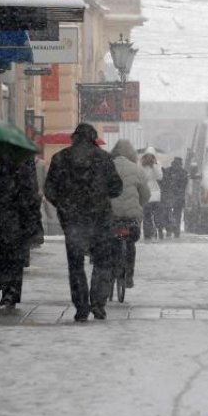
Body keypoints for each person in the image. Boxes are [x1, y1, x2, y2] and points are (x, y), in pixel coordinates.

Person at [44, 123, 122, 321]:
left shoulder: (60, 158)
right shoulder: (104, 158)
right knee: (103, 262)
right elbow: (116, 188)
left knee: (76, 265)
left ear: (74, 137)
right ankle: (98, 304)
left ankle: (81, 307)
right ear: (93, 138)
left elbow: (49, 189)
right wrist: (100, 194)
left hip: (72, 220)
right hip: (100, 218)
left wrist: (64, 205)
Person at [0, 155, 42, 311]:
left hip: (7, 212)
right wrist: (33, 215)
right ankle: (11, 291)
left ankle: (6, 286)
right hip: (16, 214)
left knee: (4, 252)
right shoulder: (23, 157)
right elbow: (30, 188)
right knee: (14, 255)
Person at [110, 140, 150, 289]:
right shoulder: (137, 170)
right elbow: (145, 194)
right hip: (130, 217)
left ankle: (109, 272)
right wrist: (139, 206)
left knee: (109, 242)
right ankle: (129, 277)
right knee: (130, 243)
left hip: (111, 215)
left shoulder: (105, 167)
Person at [139, 147, 164, 240]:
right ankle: (147, 233)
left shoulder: (157, 165)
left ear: (153, 157)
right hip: (145, 193)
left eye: (151, 156)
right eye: (147, 156)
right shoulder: (141, 165)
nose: (149, 158)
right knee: (146, 215)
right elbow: (140, 177)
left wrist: (154, 166)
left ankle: (158, 230)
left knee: (157, 215)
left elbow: (160, 177)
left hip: (155, 194)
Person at [161, 157, 188, 238]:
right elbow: (183, 186)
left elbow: (163, 183)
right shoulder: (183, 172)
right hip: (178, 197)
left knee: (167, 213)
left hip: (168, 196)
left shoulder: (167, 171)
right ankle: (176, 231)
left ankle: (169, 230)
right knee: (177, 215)